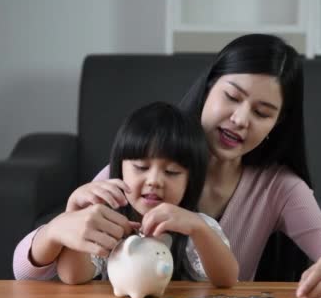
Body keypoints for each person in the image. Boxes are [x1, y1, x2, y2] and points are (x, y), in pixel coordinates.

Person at [13, 34, 321, 298]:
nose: (241, 119)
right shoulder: (144, 165)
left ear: (277, 124)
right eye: (231, 96)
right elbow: (30, 273)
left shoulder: (279, 188)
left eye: (262, 112)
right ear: (208, 89)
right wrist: (57, 228)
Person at [50, 102, 237, 287]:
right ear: (120, 168)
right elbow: (72, 276)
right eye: (141, 167)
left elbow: (227, 280)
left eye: (171, 172)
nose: (154, 180)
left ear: (191, 181)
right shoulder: (106, 223)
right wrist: (74, 213)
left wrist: (199, 229)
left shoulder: (197, 227)